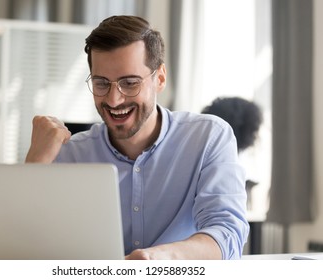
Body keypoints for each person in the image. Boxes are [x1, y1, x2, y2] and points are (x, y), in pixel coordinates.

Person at [25, 15, 249, 260]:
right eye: (101, 83)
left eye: (129, 83)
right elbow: (24, 243)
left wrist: (157, 260)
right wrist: (35, 163)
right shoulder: (68, 154)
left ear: (160, 78)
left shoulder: (208, 138)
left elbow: (228, 234)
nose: (113, 99)